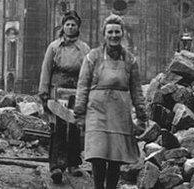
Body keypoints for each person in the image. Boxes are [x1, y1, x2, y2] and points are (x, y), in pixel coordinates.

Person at [74, 14, 147, 189]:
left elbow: (136, 89)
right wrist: (79, 113)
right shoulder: (93, 56)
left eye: (117, 32)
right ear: (104, 35)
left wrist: (142, 114)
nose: (114, 35)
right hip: (96, 111)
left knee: (116, 157)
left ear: (122, 34)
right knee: (98, 155)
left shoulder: (130, 60)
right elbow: (83, 85)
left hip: (120, 113)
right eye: (110, 32)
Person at [38, 10, 90, 184]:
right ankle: (55, 166)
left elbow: (89, 74)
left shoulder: (84, 49)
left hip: (76, 92)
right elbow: (46, 71)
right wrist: (44, 94)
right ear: (63, 26)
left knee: (75, 128)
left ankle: (73, 163)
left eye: (73, 24)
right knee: (57, 127)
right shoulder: (54, 47)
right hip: (57, 91)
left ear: (78, 27)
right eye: (67, 24)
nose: (70, 27)